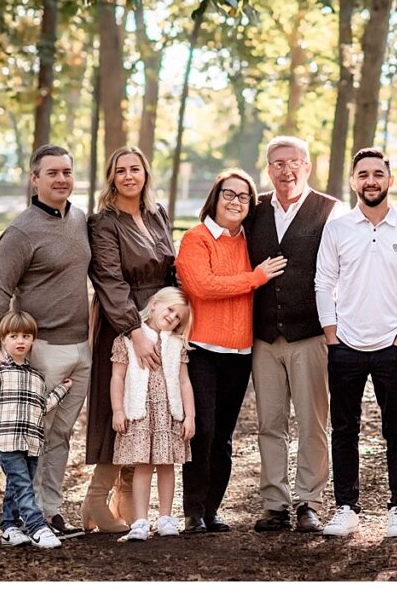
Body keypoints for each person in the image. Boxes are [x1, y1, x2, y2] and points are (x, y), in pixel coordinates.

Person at [315, 148, 397, 538]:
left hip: (391, 345)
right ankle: (346, 506)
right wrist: (331, 333)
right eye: (363, 174)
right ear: (353, 181)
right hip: (345, 343)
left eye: (378, 173)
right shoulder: (338, 228)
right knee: (344, 429)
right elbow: (324, 282)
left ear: (390, 180)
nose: (371, 180)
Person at [0, 144, 90, 539]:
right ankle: (19, 519)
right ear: (34, 179)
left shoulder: (79, 219)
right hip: (41, 350)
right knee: (30, 440)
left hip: (82, 348)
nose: (61, 179)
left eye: (67, 171)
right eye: (52, 173)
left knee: (59, 435)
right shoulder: (21, 231)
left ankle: (49, 511)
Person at [176, 168, 287, 533]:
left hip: (239, 353)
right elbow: (202, 286)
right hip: (203, 350)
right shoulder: (197, 239)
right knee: (202, 430)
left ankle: (211, 509)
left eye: (243, 196)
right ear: (215, 196)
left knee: (224, 435)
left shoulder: (249, 242)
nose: (235, 201)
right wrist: (256, 278)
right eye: (229, 193)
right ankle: (192, 511)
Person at [247, 136, 347, 534]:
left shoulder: (331, 210)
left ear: (306, 166)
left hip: (310, 334)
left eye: (293, 162)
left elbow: (342, 270)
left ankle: (310, 501)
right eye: (277, 163)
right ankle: (275, 503)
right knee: (269, 422)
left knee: (312, 421)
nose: (285, 170)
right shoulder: (254, 210)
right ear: (268, 168)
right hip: (264, 336)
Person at [83, 147, 176, 534]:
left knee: (152, 407)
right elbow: (109, 279)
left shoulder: (158, 214)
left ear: (145, 173)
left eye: (134, 169)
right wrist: (134, 330)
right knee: (117, 406)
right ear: (111, 177)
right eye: (120, 170)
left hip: (161, 324)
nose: (128, 176)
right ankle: (94, 500)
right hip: (122, 323)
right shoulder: (103, 222)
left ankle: (125, 496)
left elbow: (171, 269)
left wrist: (171, 322)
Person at [0, 310, 73, 550]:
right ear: (3, 339)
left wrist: (61, 390)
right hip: (6, 441)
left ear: (32, 340)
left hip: (31, 442)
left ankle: (9, 527)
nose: (20, 341)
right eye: (14, 336)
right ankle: (37, 527)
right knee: (24, 485)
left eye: (26, 336)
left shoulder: (36, 377)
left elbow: (43, 406)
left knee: (16, 485)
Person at [110, 287, 196, 541]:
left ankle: (166, 518)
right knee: (143, 466)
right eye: (170, 310)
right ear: (155, 304)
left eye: (179, 317)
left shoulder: (176, 343)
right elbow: (117, 376)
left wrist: (189, 416)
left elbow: (184, 382)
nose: (173, 318)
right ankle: (140, 521)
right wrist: (118, 410)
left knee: (167, 465)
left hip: (168, 414)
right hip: (140, 412)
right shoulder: (127, 340)